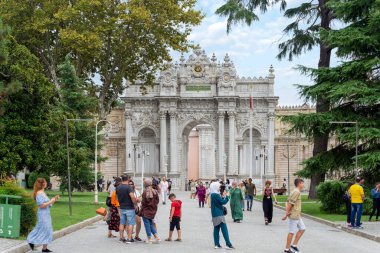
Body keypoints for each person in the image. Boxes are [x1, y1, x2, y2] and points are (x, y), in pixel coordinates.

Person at [27, 178, 59, 252]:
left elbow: (48, 204)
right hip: (42, 214)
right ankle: (30, 240)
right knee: (41, 228)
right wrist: (51, 201)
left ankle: (44, 248)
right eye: (45, 182)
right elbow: (41, 205)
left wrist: (54, 200)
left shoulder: (42, 192)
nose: (46, 183)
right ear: (43, 184)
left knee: (48, 229)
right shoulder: (39, 193)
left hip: (46, 213)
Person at [282, 178, 306, 253]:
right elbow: (290, 203)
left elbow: (287, 201)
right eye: (302, 183)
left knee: (302, 228)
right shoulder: (296, 192)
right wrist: (287, 213)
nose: (303, 185)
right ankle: (287, 249)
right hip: (294, 214)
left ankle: (294, 245)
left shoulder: (295, 191)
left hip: (297, 214)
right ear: (299, 184)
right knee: (291, 231)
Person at [210, 181, 234, 250]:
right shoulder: (215, 195)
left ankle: (217, 244)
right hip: (219, 214)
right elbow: (223, 202)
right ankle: (228, 244)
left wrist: (223, 196)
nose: (219, 188)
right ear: (215, 187)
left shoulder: (213, 194)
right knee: (224, 229)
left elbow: (219, 202)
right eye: (218, 187)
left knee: (216, 228)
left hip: (215, 214)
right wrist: (228, 197)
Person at [116, 174, 139, 243]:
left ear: (122, 179)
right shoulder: (129, 187)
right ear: (128, 179)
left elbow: (117, 198)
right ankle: (129, 238)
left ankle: (121, 238)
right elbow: (132, 196)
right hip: (129, 208)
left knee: (122, 223)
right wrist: (135, 204)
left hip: (122, 208)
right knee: (130, 223)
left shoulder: (118, 187)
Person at [140, 178, 161, 244]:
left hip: (146, 211)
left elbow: (143, 202)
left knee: (147, 225)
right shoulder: (155, 191)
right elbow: (157, 201)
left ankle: (149, 238)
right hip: (153, 210)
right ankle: (156, 237)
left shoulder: (145, 192)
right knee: (150, 224)